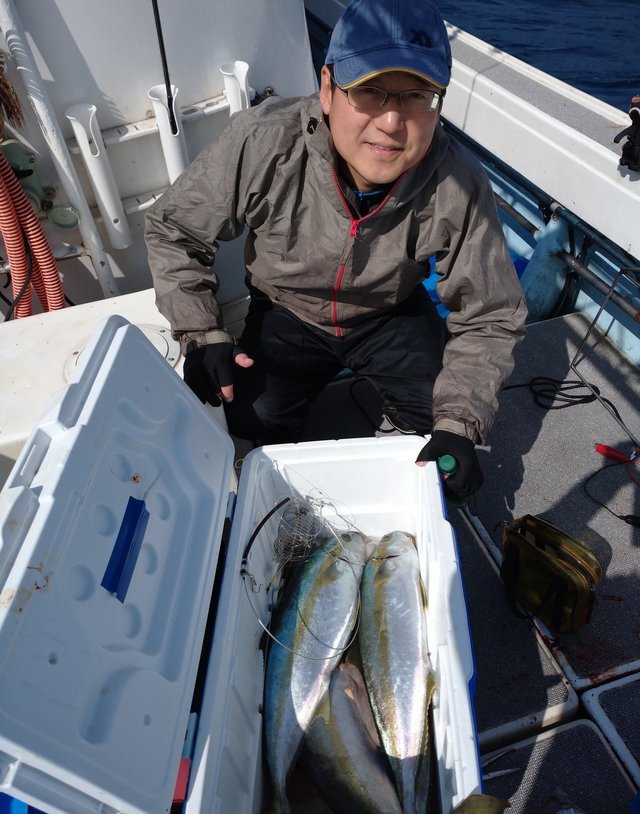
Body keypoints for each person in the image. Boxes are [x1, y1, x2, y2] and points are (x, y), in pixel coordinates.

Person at [144, 0, 527, 500]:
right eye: (369, 91)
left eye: (416, 95)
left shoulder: (459, 181)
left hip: (387, 312)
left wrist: (459, 420)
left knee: (442, 432)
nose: (392, 121)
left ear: (439, 102)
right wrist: (202, 331)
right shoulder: (263, 142)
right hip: (288, 310)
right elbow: (174, 227)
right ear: (328, 90)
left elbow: (490, 313)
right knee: (249, 414)